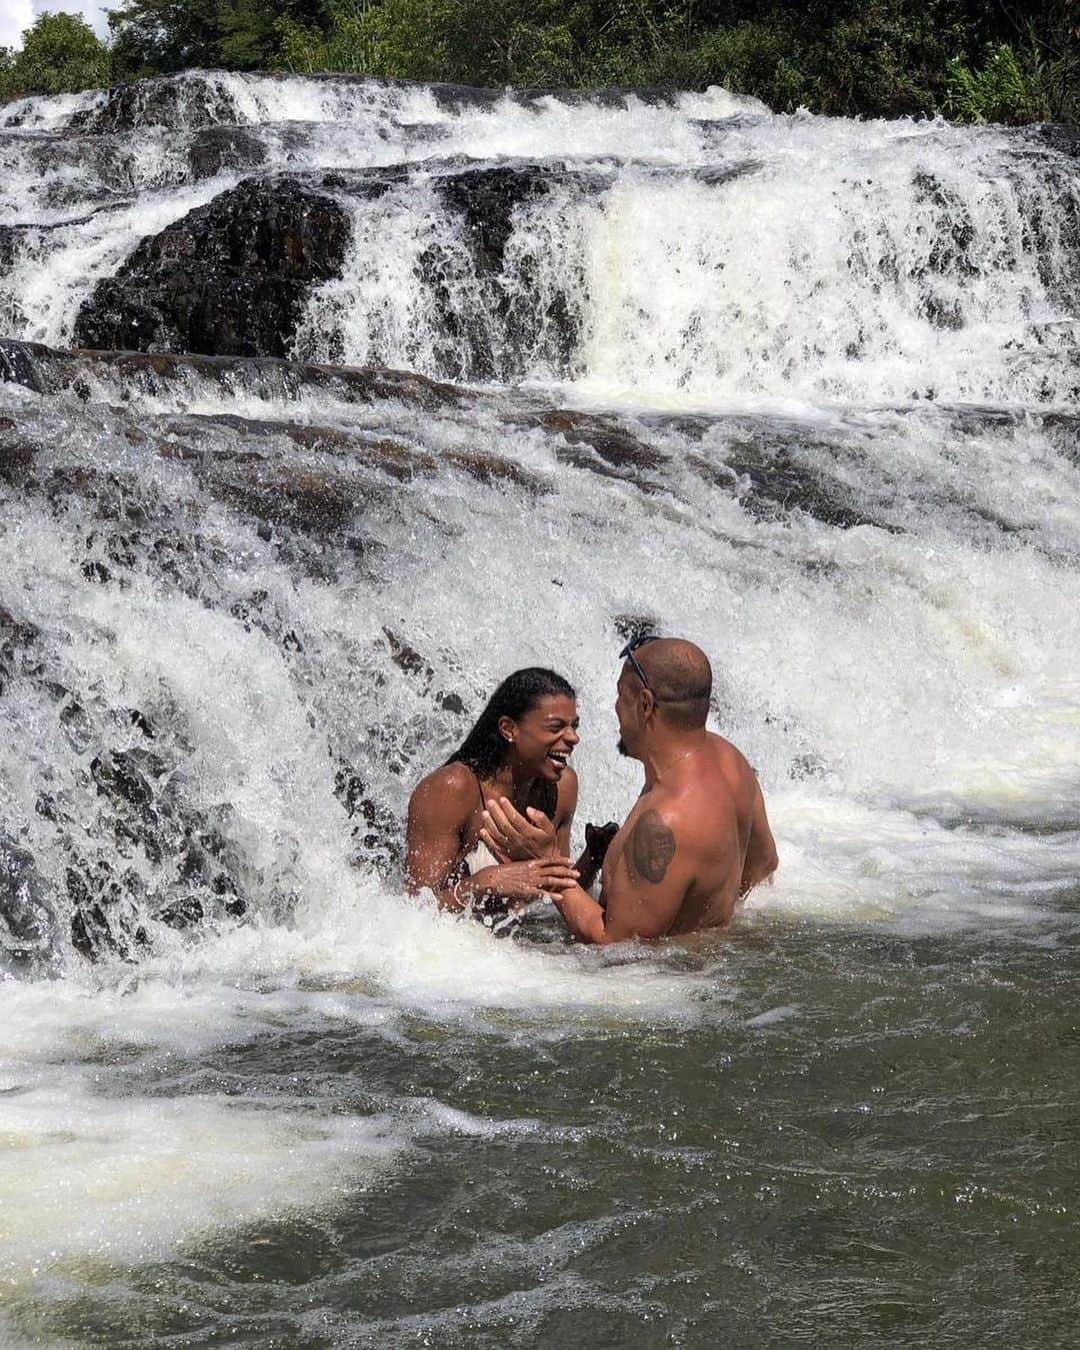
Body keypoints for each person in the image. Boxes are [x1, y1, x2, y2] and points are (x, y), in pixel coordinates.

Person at [482, 637, 778, 944]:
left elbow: (615, 947)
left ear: (646, 705)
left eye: (621, 695)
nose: (615, 707)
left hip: (657, 985)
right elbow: (763, 866)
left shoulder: (666, 819)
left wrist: (547, 858)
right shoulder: (732, 762)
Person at [405, 667, 606, 933]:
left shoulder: (562, 786)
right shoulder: (451, 790)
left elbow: (557, 893)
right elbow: (413, 913)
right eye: (556, 727)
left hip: (523, 951)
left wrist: (592, 859)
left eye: (574, 726)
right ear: (509, 729)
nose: (573, 738)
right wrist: (482, 883)